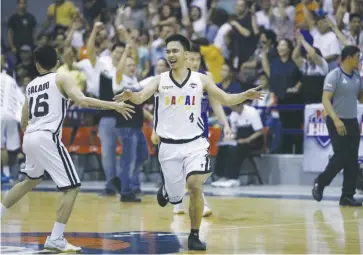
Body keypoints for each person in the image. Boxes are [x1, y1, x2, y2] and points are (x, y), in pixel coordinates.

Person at [114, 34, 264, 251]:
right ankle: (168, 190)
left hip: (195, 143)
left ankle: (194, 234)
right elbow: (140, 97)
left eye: (175, 51)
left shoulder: (201, 80)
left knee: (195, 185)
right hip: (169, 146)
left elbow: (225, 99)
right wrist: (131, 95)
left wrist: (244, 95)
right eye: (168, 51)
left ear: (186, 55)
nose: (171, 55)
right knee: (176, 196)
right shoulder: (159, 80)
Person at [0, 45, 135, 252]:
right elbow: (81, 100)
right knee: (72, 186)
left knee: (30, 180)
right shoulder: (61, 78)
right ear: (57, 62)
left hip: (30, 136)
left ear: (37, 65)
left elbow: (24, 118)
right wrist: (114, 105)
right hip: (47, 136)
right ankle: (55, 238)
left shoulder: (31, 85)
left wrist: (31, 135)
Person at [170, 43, 233, 216]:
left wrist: (225, 124)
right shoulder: (175, 77)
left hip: (201, 126)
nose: (195, 62)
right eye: (192, 59)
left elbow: (215, 102)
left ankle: (183, 200)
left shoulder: (206, 77)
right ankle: (197, 203)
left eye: (198, 59)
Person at [312, 45, 363, 207]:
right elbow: (325, 100)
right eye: (358, 57)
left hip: (352, 121)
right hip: (336, 120)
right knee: (341, 156)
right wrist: (335, 120)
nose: (359, 60)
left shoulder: (357, 76)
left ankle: (347, 196)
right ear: (349, 57)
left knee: (352, 159)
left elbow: (360, 98)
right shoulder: (334, 75)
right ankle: (320, 182)